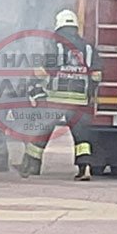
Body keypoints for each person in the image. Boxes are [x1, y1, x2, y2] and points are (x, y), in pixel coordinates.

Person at [15, 9, 103, 181]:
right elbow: (97, 75)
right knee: (82, 138)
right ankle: (84, 168)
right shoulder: (88, 48)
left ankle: (30, 166)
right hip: (79, 101)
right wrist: (89, 92)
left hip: (54, 101)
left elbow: (44, 71)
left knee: (41, 132)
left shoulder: (54, 44)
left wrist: (32, 81)